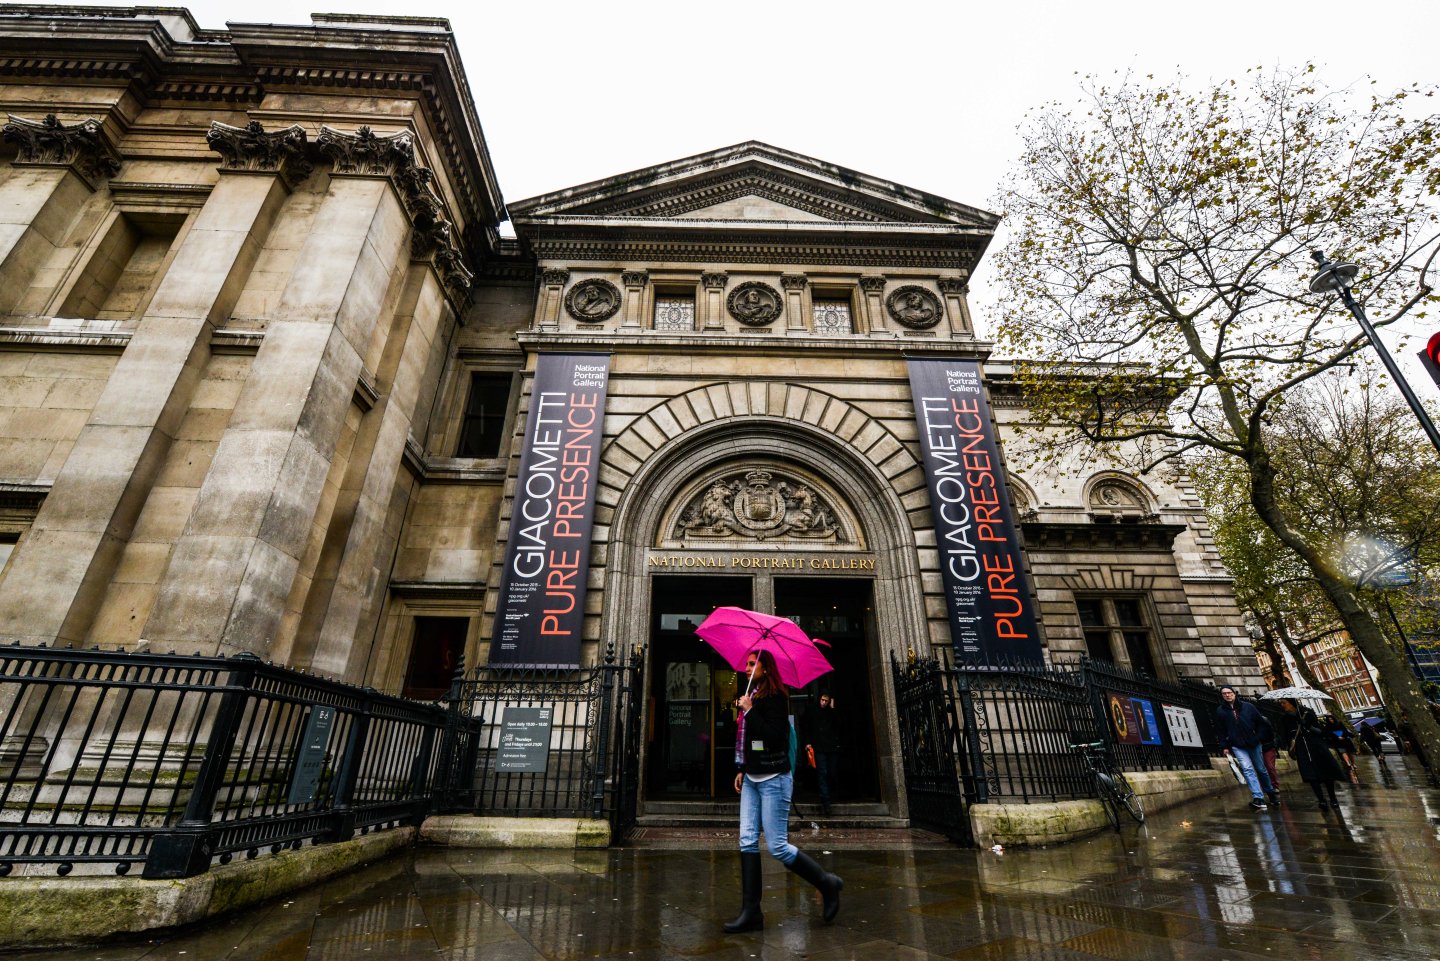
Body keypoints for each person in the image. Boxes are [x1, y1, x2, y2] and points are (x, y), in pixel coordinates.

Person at [723, 650, 843, 933]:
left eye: (753, 663)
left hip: (774, 778)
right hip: (752, 777)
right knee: (747, 840)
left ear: (766, 668)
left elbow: (775, 737)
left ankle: (827, 883)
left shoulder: (777, 697)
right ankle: (751, 912)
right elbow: (750, 740)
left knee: (776, 845)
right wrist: (742, 768)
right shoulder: (751, 693)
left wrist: (750, 710)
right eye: (747, 663)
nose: (747, 667)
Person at [1214, 685, 1277, 811]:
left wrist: (1258, 737)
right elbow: (1220, 731)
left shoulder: (1248, 707)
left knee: (1261, 769)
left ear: (1234, 693)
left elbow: (1261, 724)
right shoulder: (1220, 711)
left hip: (1254, 743)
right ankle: (1258, 797)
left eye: (1229, 692)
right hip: (1237, 745)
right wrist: (1224, 746)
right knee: (1247, 769)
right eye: (1224, 693)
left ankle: (1270, 792)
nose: (1227, 695)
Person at [1288, 703, 1348, 810]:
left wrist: (1307, 726)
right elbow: (1286, 735)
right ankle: (1321, 800)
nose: (1282, 705)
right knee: (1311, 777)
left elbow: (1321, 732)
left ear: (1290, 702)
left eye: (1283, 702)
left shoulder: (1307, 713)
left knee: (1327, 775)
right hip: (1303, 750)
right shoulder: (1286, 718)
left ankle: (1333, 798)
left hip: (1317, 748)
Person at [802, 692, 842, 816]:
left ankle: (829, 796)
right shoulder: (812, 710)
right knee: (822, 773)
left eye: (826, 700)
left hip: (831, 747)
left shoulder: (831, 712)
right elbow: (806, 726)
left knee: (831, 772)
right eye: (822, 700)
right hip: (818, 747)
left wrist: (833, 709)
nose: (823, 703)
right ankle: (826, 803)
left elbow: (838, 725)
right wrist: (807, 743)